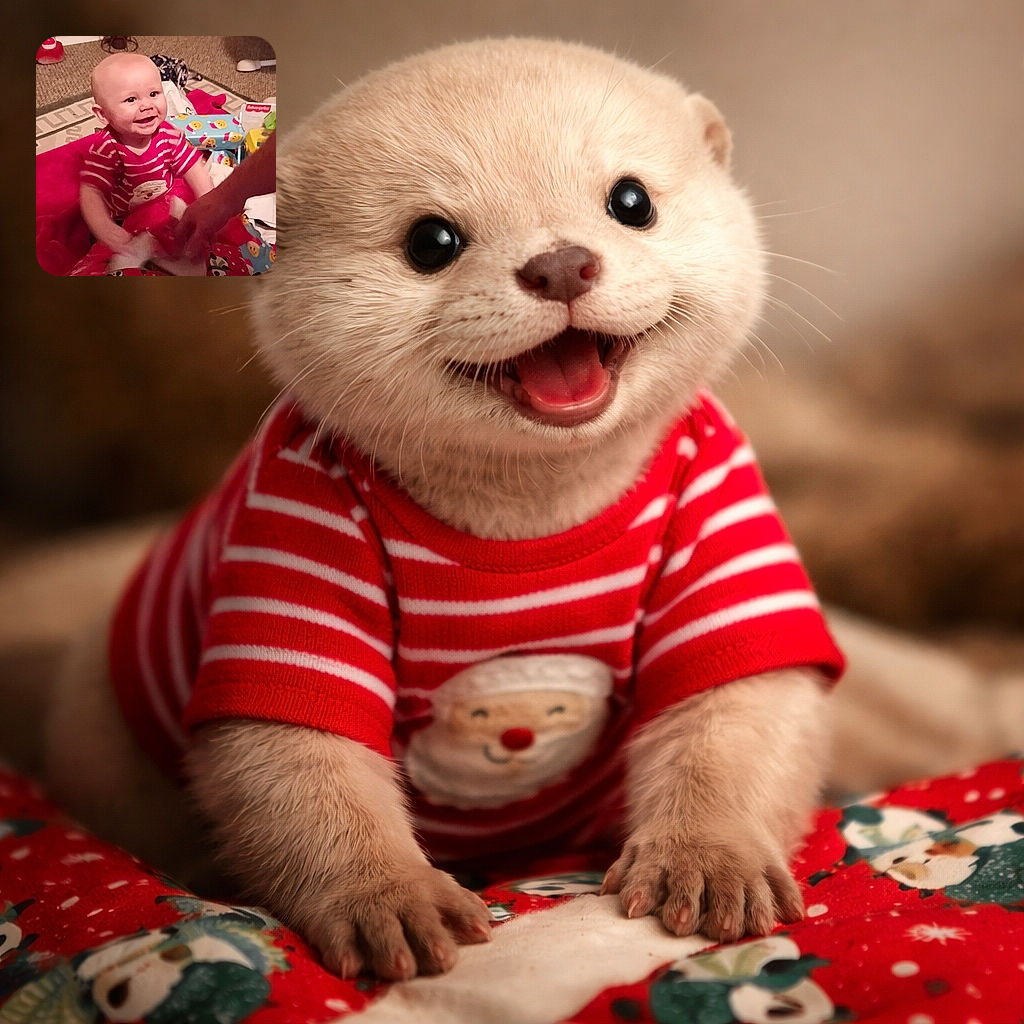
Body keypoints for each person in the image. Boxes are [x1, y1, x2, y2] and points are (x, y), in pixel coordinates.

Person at [79, 53, 213, 256]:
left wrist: (207, 201)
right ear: (102, 114)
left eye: (154, 94)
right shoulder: (107, 148)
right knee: (107, 256)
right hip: (122, 220)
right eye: (131, 99)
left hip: (161, 209)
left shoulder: (169, 134)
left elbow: (194, 166)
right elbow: (91, 192)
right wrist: (105, 228)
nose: (147, 105)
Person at [172, 128, 276, 258]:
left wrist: (211, 199)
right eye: (136, 105)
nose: (146, 106)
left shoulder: (169, 136)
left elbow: (187, 161)